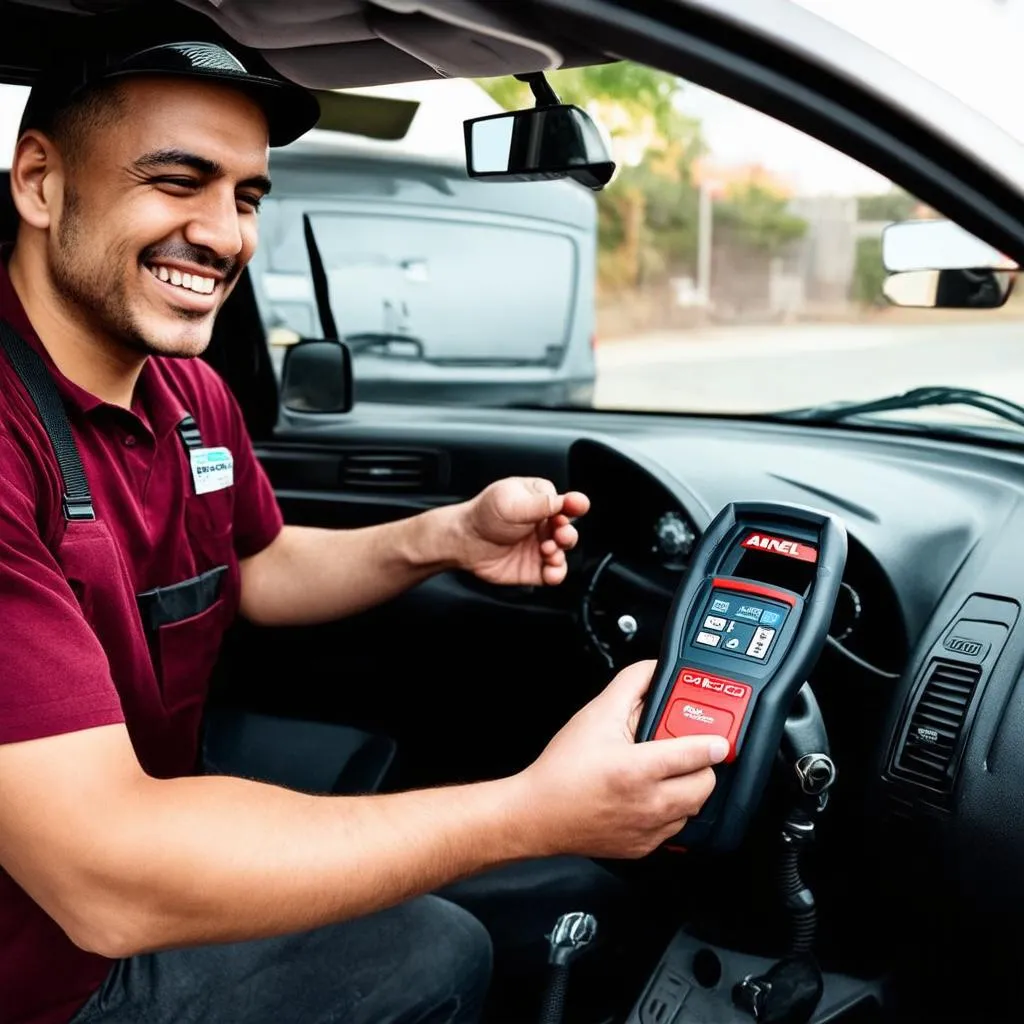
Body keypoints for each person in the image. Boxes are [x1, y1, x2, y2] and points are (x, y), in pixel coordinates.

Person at [0, 33, 728, 1024]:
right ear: (40, 183)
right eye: (179, 182)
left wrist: (443, 536)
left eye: (247, 196)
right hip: (46, 968)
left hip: (129, 859)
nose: (225, 236)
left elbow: (252, 564)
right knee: (437, 949)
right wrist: (527, 811)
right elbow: (106, 880)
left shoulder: (188, 391)